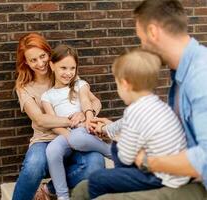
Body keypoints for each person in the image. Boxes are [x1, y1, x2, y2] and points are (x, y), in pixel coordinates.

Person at [71, 0, 207, 199]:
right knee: (84, 188)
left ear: (152, 32)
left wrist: (148, 162)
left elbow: (204, 159)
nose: (142, 47)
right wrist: (110, 128)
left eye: (141, 39)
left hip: (199, 183)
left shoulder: (200, 76)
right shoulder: (181, 72)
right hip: (179, 173)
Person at [12, 33, 105, 200]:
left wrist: (86, 114)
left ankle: (50, 189)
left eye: (42, 56)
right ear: (26, 62)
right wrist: (72, 120)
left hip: (78, 134)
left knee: (95, 164)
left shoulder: (64, 71)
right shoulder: (24, 87)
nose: (40, 63)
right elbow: (40, 119)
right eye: (33, 60)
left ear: (49, 55)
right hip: (45, 139)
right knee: (34, 165)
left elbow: (95, 101)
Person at [41, 44, 111, 200]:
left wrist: (88, 117)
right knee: (52, 150)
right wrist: (68, 136)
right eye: (63, 68)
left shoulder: (80, 84)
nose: (68, 73)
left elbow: (87, 101)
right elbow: (54, 122)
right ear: (52, 65)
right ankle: (62, 196)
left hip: (84, 129)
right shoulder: (47, 96)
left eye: (72, 68)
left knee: (78, 137)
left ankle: (112, 152)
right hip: (66, 134)